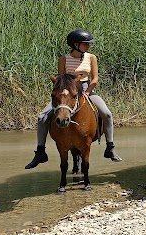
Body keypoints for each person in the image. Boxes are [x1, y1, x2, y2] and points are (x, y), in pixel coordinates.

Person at [25, 29, 122, 169]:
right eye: (85, 44)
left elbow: (95, 78)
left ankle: (110, 147)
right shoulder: (63, 59)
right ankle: (40, 152)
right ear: (75, 44)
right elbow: (61, 80)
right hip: (67, 93)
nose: (88, 46)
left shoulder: (91, 57)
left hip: (87, 90)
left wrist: (88, 92)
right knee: (42, 117)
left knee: (107, 114)